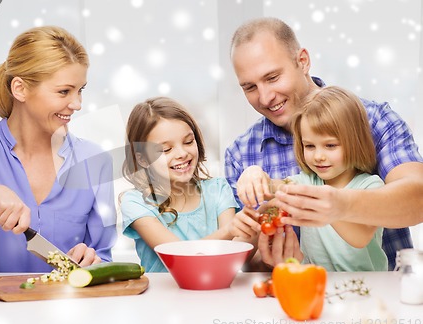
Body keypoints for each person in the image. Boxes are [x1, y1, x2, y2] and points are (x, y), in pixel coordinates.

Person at [226, 17, 423, 270]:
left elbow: (418, 199)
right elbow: (239, 258)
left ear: (303, 61)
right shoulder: (241, 154)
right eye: (250, 87)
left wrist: (342, 205)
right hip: (297, 294)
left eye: (273, 77)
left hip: (381, 298)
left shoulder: (373, 120)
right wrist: (267, 263)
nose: (265, 97)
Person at [0, 26, 117, 272]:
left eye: (81, 91)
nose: (77, 104)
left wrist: (93, 260)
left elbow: (103, 257)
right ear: (20, 89)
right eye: (64, 91)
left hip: (65, 307)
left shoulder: (95, 161)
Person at [236, 86, 388, 271]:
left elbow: (360, 237)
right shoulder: (307, 182)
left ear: (355, 141)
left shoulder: (371, 185)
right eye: (309, 146)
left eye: (330, 145)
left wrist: (326, 204)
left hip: (362, 287)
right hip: (315, 284)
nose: (318, 156)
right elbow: (273, 187)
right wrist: (253, 173)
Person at [120, 97, 240, 272]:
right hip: (161, 298)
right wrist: (230, 230)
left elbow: (233, 255)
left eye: (188, 142)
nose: (182, 153)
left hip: (216, 292)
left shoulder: (219, 189)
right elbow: (180, 256)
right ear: (143, 159)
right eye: (166, 150)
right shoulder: (136, 203)